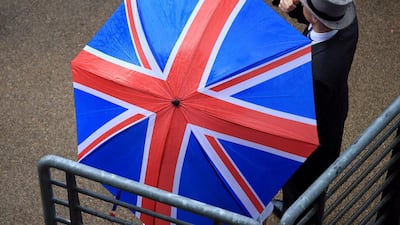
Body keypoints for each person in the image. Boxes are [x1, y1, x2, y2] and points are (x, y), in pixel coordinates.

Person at [272, 0, 359, 224]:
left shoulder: (317, 75)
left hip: (314, 135)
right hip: (333, 112)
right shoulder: (346, 21)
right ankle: (295, 208)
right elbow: (314, 15)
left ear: (315, 17)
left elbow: (299, 108)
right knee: (310, 186)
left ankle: (300, 216)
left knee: (302, 184)